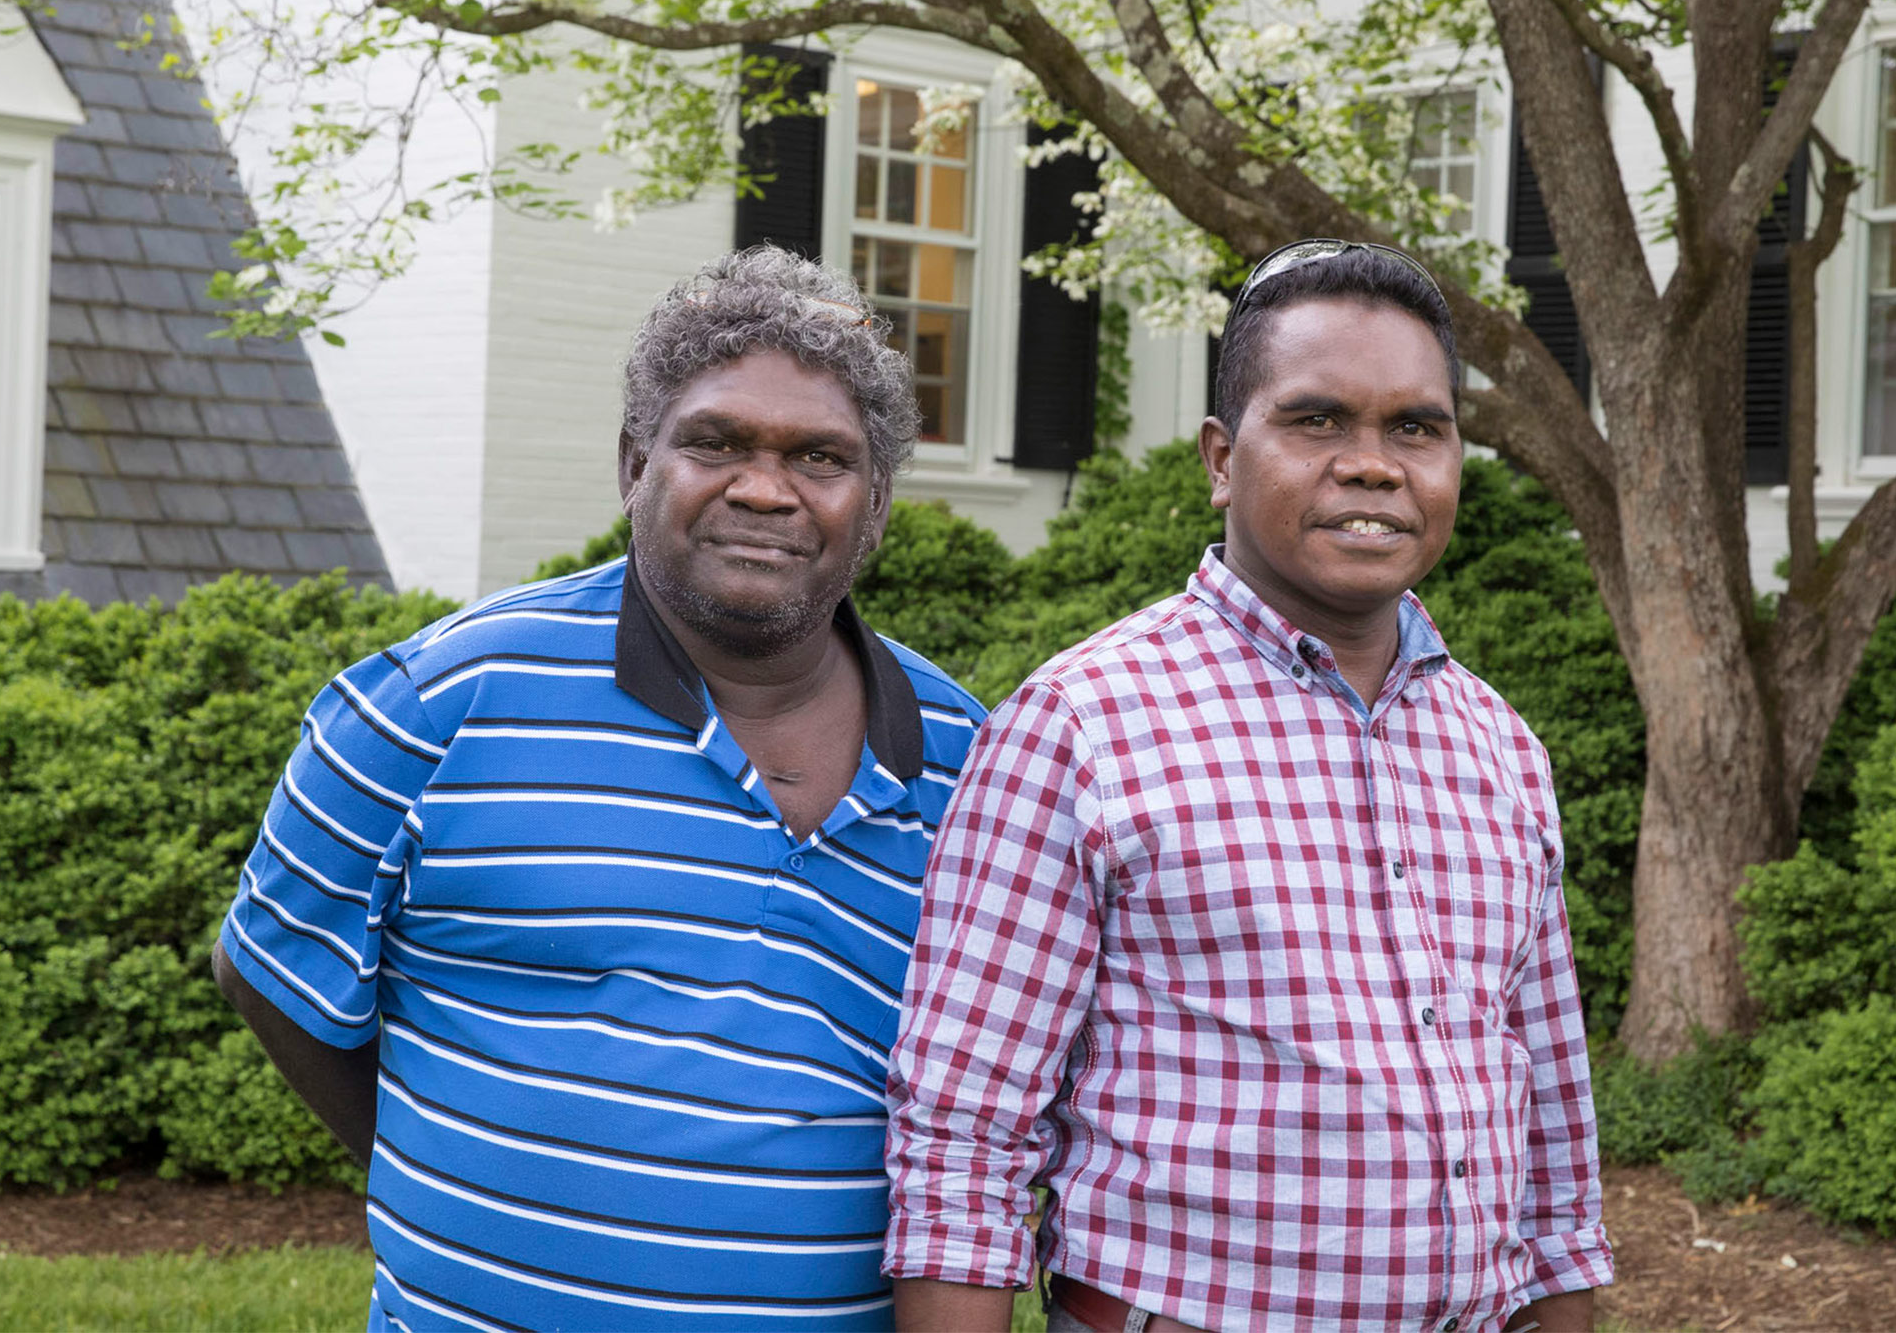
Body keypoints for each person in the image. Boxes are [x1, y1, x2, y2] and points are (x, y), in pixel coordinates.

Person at [215, 245, 985, 1331]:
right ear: (634, 462)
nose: (764, 488)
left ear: (875, 503)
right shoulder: (435, 705)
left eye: (819, 457)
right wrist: (451, 1169)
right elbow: (268, 976)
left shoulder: (979, 766)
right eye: (714, 442)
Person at [883, 240, 1613, 1332]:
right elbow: (962, 1139)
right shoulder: (1083, 724)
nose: (1373, 463)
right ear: (1222, 459)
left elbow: (1553, 1140)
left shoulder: (1498, 746)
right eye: (1317, 419)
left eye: (1415, 426)